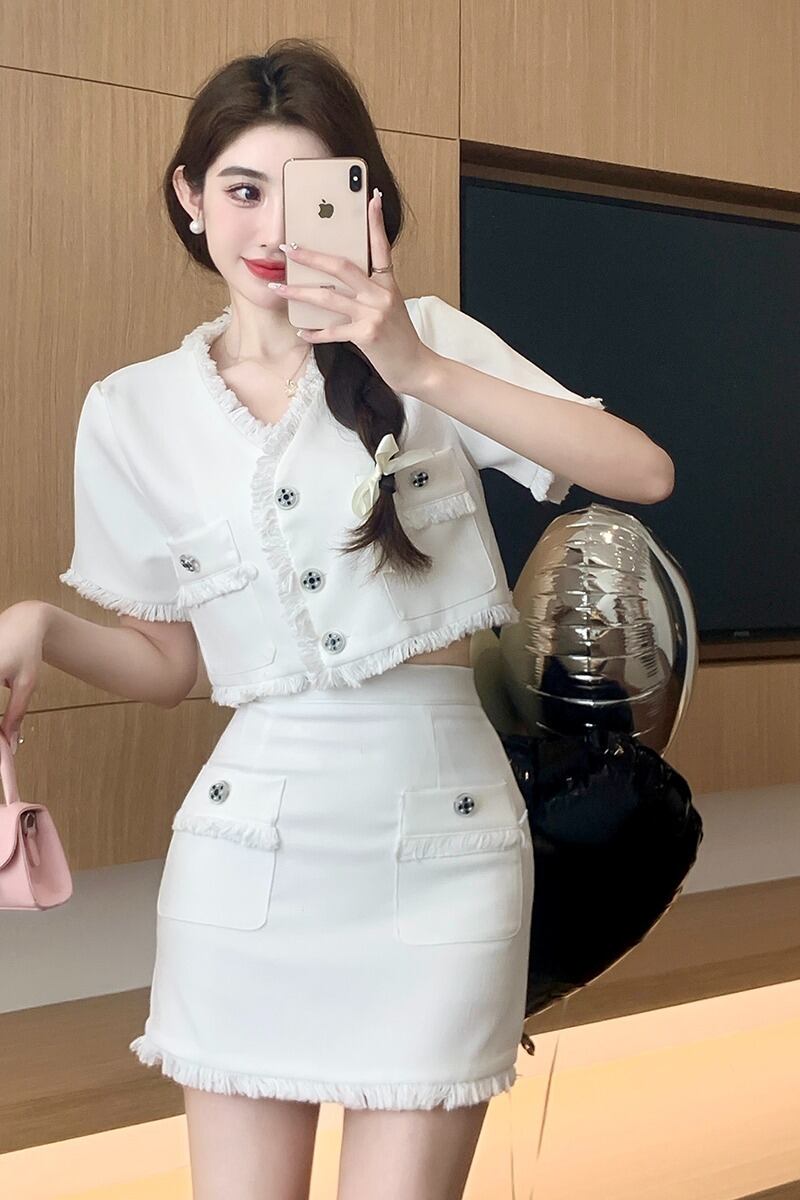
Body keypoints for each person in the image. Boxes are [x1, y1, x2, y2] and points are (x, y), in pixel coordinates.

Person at [0, 37, 673, 1200]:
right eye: (239, 190)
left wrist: (414, 364)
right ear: (188, 197)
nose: (270, 228)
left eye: (303, 190)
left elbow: (642, 470)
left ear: (359, 200)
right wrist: (40, 626)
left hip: (445, 846)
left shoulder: (430, 342)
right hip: (245, 854)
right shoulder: (129, 412)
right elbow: (170, 665)